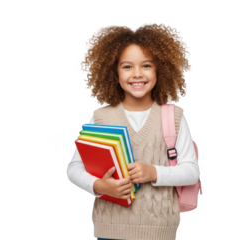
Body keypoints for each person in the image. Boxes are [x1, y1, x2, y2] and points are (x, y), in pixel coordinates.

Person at [66, 21, 200, 240]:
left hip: (160, 232)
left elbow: (192, 171)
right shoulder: (100, 117)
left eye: (146, 65)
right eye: (127, 66)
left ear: (160, 69)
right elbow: (74, 167)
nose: (137, 74)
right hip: (108, 230)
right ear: (113, 72)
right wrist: (99, 185)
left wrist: (153, 173)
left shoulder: (173, 117)